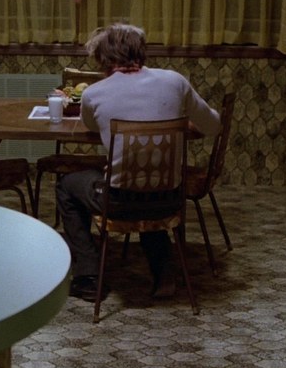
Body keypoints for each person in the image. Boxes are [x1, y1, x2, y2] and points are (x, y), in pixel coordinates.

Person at [55, 23, 221, 301]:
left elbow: (92, 126)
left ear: (102, 58)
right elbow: (213, 126)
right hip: (169, 198)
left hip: (119, 201)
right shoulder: (175, 82)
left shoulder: (94, 94)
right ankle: (163, 273)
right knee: (149, 186)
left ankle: (88, 276)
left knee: (67, 185)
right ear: (141, 51)